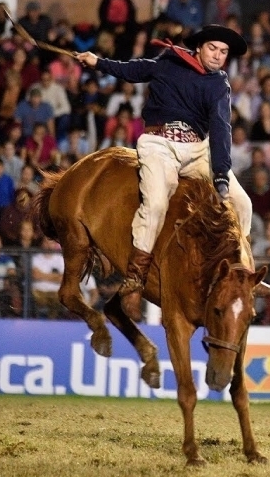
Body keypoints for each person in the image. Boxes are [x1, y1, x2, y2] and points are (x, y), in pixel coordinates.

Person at [75, 24, 255, 322]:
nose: (218, 55)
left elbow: (221, 128)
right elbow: (135, 70)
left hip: (197, 148)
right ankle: (135, 274)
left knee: (243, 204)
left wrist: (221, 175)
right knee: (156, 203)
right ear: (199, 47)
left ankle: (243, 272)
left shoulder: (219, 84)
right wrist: (98, 62)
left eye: (224, 52)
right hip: (159, 143)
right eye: (213, 48)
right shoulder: (170, 62)